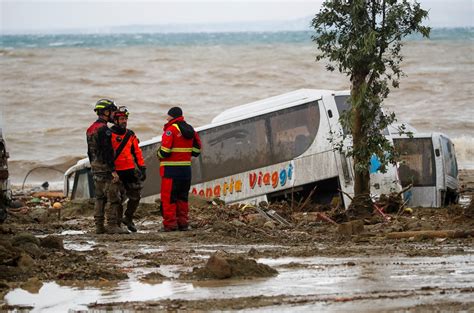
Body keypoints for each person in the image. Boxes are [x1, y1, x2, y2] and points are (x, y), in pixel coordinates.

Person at [86, 99, 128, 234]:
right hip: (106, 168)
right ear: (105, 112)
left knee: (99, 197)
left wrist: (93, 164)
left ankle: (99, 226)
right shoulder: (104, 130)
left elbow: (90, 151)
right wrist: (113, 171)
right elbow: (107, 152)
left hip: (95, 166)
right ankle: (112, 225)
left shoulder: (91, 128)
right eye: (112, 111)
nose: (114, 115)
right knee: (113, 197)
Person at [157, 107, 201, 231]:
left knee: (169, 198)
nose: (166, 118)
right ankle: (183, 223)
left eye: (168, 116)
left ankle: (170, 225)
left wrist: (158, 154)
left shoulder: (170, 130)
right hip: (186, 170)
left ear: (173, 116)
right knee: (182, 198)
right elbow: (197, 150)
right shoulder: (190, 129)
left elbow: (164, 151)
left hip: (171, 171)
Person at [110, 106, 146, 232]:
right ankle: (118, 223)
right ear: (115, 120)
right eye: (121, 119)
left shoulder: (130, 134)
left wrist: (142, 167)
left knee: (136, 196)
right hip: (116, 172)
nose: (124, 121)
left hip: (130, 170)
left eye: (125, 118)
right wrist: (111, 171)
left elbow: (137, 152)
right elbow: (106, 154)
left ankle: (128, 218)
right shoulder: (109, 134)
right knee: (117, 199)